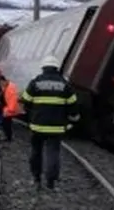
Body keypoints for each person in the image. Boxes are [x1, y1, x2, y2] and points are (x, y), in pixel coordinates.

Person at [20, 55, 80, 191]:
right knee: (53, 152)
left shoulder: (35, 82)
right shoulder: (65, 84)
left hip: (37, 126)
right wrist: (72, 119)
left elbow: (25, 102)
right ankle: (50, 182)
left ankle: (36, 179)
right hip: (56, 127)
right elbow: (73, 106)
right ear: (57, 68)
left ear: (43, 67)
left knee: (36, 151)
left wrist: (31, 115)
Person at [1, 70, 20, 142]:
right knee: (5, 124)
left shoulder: (10, 88)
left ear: (4, 81)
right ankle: (8, 136)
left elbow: (13, 100)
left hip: (9, 110)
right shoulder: (7, 86)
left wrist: (9, 110)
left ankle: (8, 137)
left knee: (6, 124)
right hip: (7, 109)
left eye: (1, 82)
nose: (1, 84)